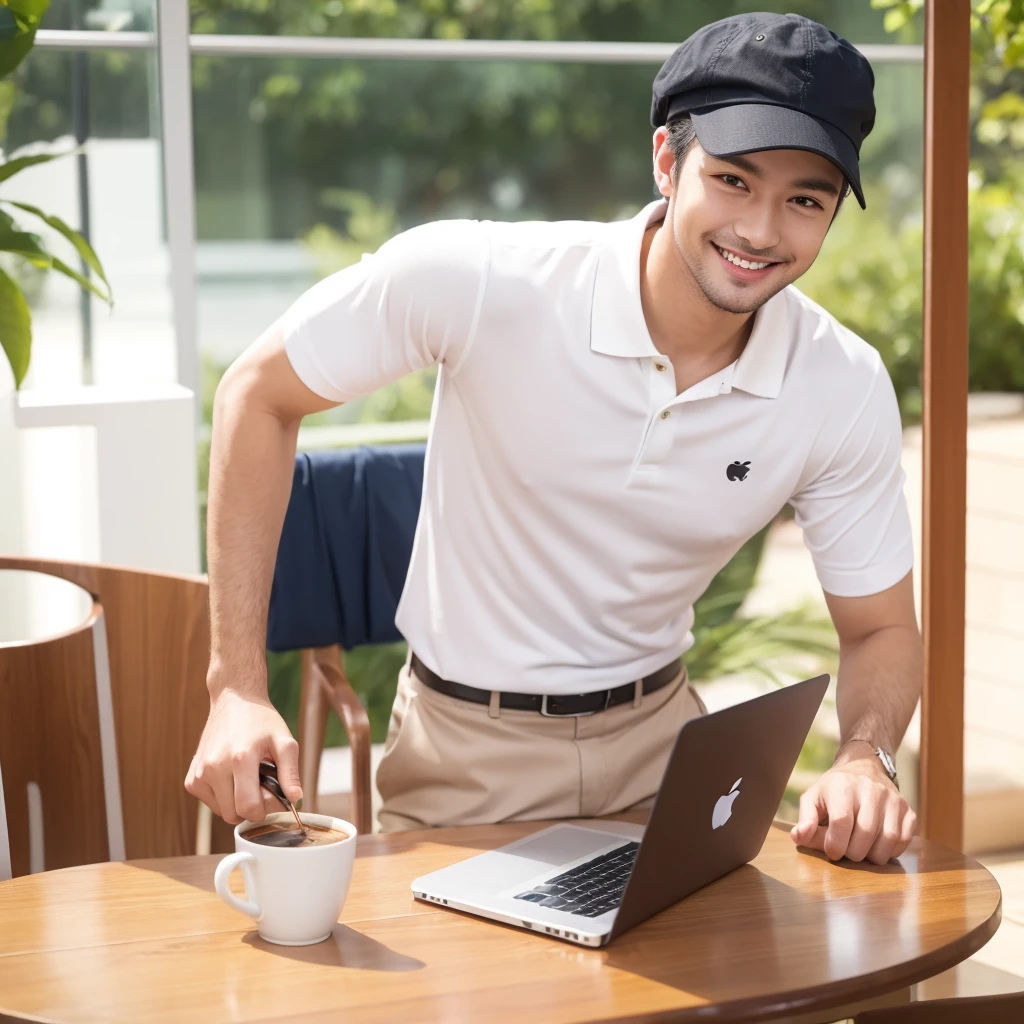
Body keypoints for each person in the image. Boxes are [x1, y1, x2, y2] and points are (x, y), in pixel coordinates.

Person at [187, 12, 921, 866]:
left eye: (805, 200)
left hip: (669, 756)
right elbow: (257, 393)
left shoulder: (842, 380)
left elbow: (880, 630)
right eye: (732, 180)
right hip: (469, 756)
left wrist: (867, 758)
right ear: (665, 161)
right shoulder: (486, 281)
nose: (760, 230)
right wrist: (235, 686)